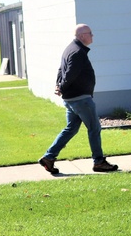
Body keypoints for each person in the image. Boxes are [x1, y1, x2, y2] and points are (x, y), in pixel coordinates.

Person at [38, 24, 119, 174]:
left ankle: (49, 157)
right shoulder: (77, 52)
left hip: (72, 99)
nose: (92, 36)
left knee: (71, 129)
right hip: (80, 99)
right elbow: (69, 74)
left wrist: (59, 85)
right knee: (94, 129)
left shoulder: (70, 49)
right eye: (90, 33)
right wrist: (61, 86)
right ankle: (99, 162)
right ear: (82, 36)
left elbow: (61, 70)